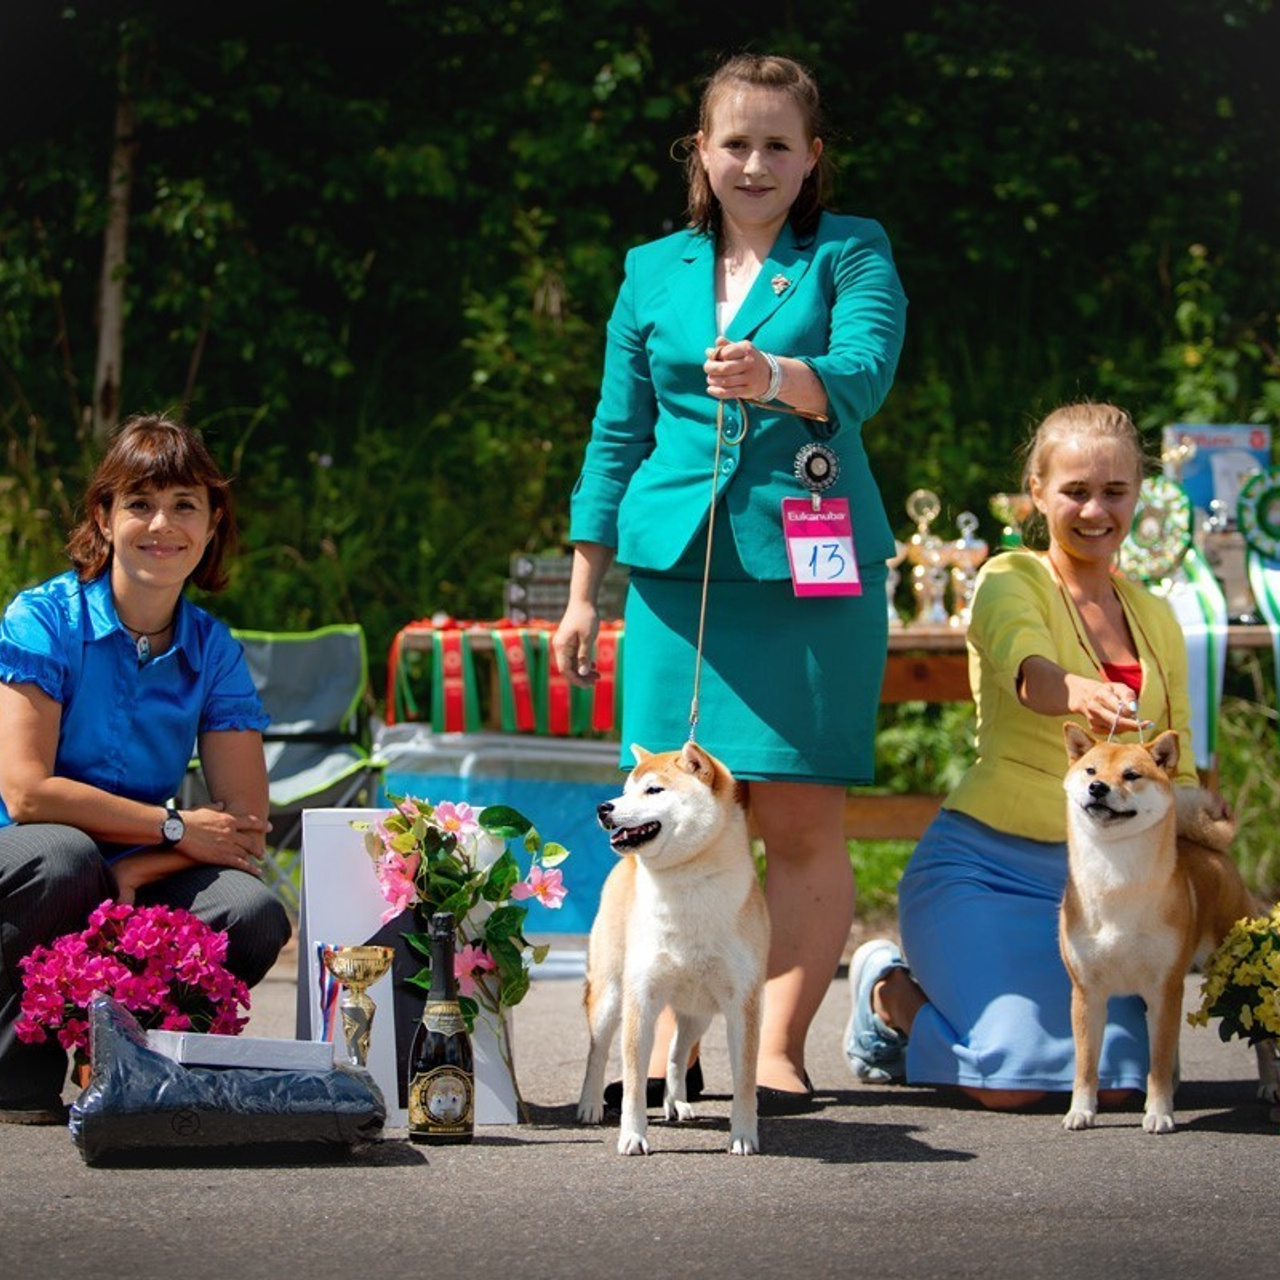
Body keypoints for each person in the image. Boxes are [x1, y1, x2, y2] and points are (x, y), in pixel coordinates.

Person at [553, 53, 908, 1112]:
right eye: (733, 143)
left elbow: (862, 373)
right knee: (666, 819)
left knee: (799, 821)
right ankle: (662, 1045)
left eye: (777, 145)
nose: (754, 163)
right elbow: (614, 433)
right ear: (699, 153)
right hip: (672, 579)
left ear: (811, 161)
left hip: (808, 573)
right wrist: (584, 586)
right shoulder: (649, 268)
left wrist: (779, 380)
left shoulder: (852, 251)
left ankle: (773, 1043)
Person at [845, 401, 1202, 1107]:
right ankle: (886, 993)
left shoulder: (1158, 615)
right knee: (1010, 1083)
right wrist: (1077, 690)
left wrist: (1199, 818)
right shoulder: (1010, 577)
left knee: (1128, 1081)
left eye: (1114, 492)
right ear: (1037, 492)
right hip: (989, 869)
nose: (1095, 510)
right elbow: (1026, 666)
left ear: (1139, 495)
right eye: (1075, 491)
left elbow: (1179, 763)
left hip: (1111, 894)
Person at [0, 413, 291, 1123]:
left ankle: (137, 1059)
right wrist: (168, 829)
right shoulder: (41, 619)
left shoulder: (214, 649)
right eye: (140, 503)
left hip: (139, 861)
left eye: (185, 504)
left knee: (250, 913)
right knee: (65, 857)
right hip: (26, 861)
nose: (163, 524)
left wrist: (138, 865)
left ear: (213, 522)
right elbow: (27, 792)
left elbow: (244, 827)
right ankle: (14, 1068)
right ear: (103, 518)